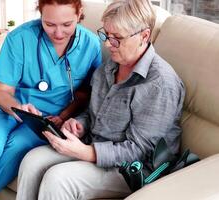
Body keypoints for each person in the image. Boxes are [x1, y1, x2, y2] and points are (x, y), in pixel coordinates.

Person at [16, 0, 185, 199]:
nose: (107, 44)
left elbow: (141, 150)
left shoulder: (160, 84)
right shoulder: (110, 66)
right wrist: (79, 124)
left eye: (116, 38)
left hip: (132, 168)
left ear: (144, 36)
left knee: (59, 178)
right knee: (32, 160)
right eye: (106, 35)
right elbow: (93, 111)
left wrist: (88, 153)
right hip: (93, 145)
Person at [0, 0, 102, 199]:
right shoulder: (20, 38)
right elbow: (2, 91)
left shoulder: (91, 44)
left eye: (67, 24)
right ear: (40, 14)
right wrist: (19, 107)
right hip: (5, 106)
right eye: (49, 24)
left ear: (79, 14)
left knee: (17, 146)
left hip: (46, 119)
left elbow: (86, 93)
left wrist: (63, 116)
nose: (58, 33)